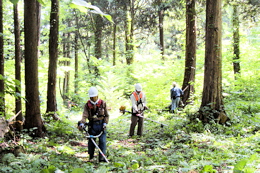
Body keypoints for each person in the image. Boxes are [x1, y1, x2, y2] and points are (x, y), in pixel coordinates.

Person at [78, 86, 109, 162]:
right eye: (92, 97)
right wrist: (82, 123)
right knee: (91, 142)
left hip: (101, 125)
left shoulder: (103, 103)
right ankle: (91, 156)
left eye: (95, 97)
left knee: (102, 141)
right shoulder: (87, 105)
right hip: (92, 126)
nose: (93, 99)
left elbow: (107, 115)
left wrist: (105, 123)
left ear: (97, 96)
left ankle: (102, 158)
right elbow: (84, 115)